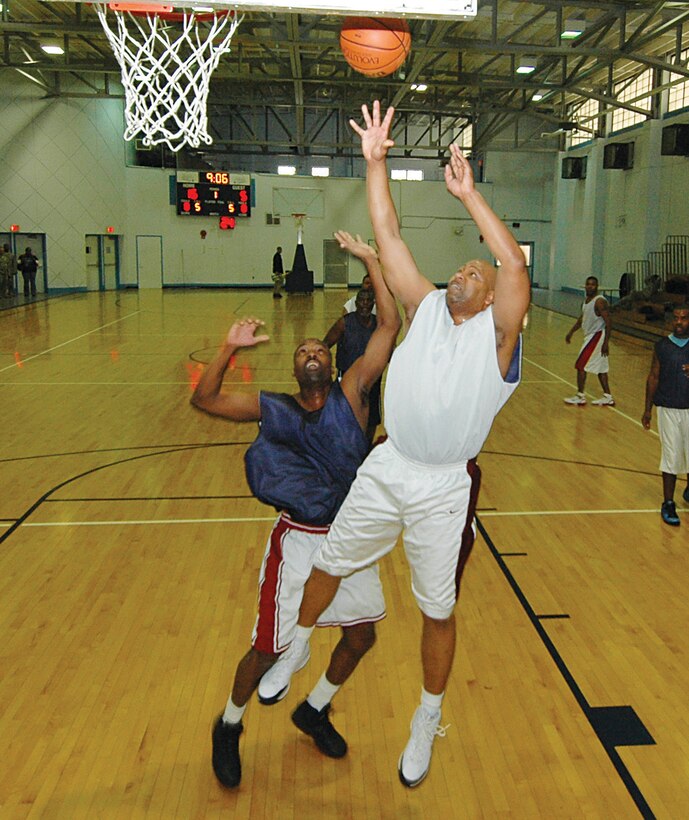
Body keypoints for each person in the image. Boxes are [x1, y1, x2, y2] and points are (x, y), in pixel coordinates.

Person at [293, 100, 530, 789]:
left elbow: (512, 263)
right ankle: (296, 650)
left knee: (437, 610)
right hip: (389, 462)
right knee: (331, 560)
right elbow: (387, 231)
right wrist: (374, 161)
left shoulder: (496, 339)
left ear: (487, 299)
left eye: (474, 272)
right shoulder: (427, 307)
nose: (466, 269)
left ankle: (426, 716)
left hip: (442, 482)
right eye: (460, 265)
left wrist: (468, 195)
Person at [191, 230, 400, 790]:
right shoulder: (273, 408)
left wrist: (371, 261)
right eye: (302, 350)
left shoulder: (353, 393)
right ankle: (229, 725)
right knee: (266, 649)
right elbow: (204, 399)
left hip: (349, 538)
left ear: (332, 366)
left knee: (360, 637)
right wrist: (228, 348)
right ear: (294, 368)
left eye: (319, 349)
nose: (312, 351)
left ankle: (313, 708)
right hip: (299, 541)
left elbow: (388, 326)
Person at [324, 234, 382, 440]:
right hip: (346, 377)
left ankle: (364, 451)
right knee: (346, 415)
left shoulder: (379, 325)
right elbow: (324, 345)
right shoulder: (344, 323)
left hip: (371, 379)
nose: (365, 305)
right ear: (356, 303)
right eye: (361, 302)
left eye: (369, 303)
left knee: (371, 418)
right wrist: (325, 367)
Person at [641, 303, 689, 526]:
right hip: (668, 408)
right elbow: (653, 377)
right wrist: (647, 409)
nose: (679, 322)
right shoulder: (662, 346)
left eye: (684, 318)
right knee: (671, 456)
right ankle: (668, 502)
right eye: (676, 318)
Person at [563, 276, 615, 406]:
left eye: (593, 285)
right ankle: (608, 396)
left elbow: (609, 322)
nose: (590, 286)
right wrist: (571, 332)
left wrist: (605, 343)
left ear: (597, 287)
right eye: (588, 284)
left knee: (581, 365)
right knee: (601, 369)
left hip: (596, 336)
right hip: (590, 336)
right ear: (585, 285)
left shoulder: (600, 302)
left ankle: (580, 395)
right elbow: (582, 318)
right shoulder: (586, 301)